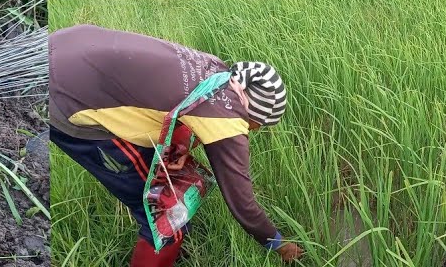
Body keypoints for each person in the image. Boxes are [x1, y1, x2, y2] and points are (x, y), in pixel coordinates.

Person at [49, 25, 305, 266]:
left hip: (64, 44)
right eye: (256, 127)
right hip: (66, 96)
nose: (250, 133)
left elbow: (174, 115)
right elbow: (242, 203)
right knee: (169, 216)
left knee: (164, 190)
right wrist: (279, 245)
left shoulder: (215, 70)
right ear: (254, 114)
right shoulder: (228, 116)